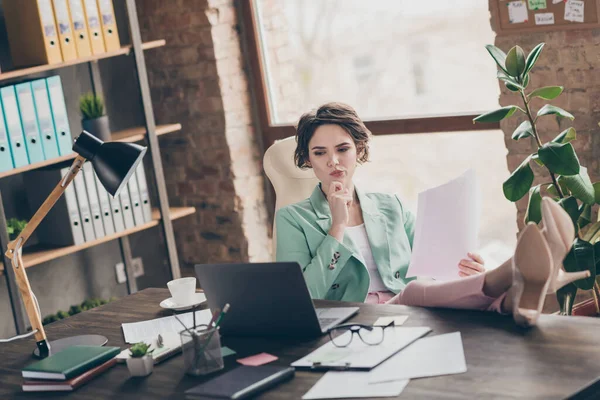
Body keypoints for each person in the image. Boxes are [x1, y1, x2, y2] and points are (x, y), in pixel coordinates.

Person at [275, 102, 590, 327]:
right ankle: (515, 270)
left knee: (430, 290)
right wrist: (338, 226)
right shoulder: (293, 219)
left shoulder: (390, 206)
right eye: (320, 153)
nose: (333, 162)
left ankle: (513, 300)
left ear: (358, 150)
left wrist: (467, 269)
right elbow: (302, 298)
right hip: (357, 321)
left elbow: (435, 269)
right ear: (307, 159)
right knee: (415, 292)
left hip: (411, 315)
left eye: (342, 149)